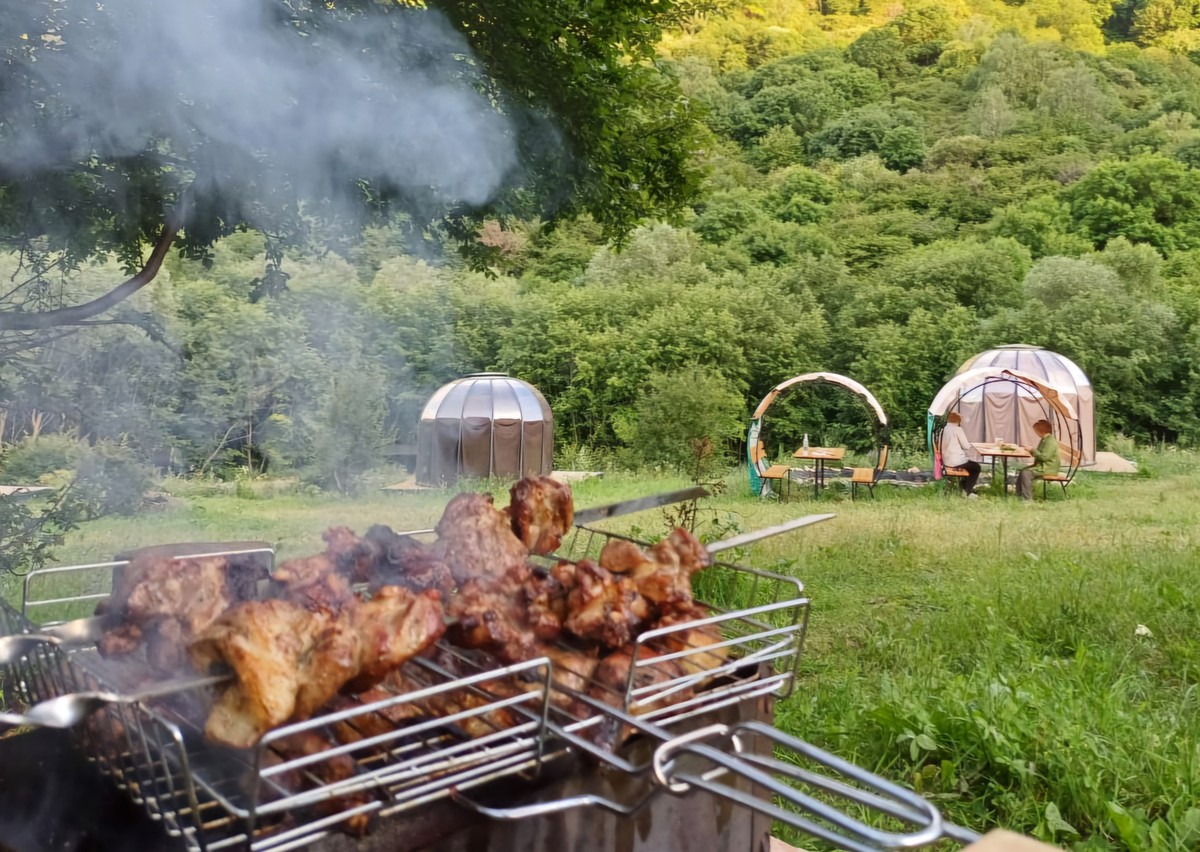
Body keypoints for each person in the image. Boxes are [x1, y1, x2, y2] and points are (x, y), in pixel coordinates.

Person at [1016, 419, 1060, 501]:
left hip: (1047, 468)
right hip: (1043, 466)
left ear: (1041, 430)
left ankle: (1027, 499)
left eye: (1036, 431)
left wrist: (1032, 450)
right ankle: (1019, 495)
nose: (1036, 433)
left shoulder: (1050, 442)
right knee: (1023, 471)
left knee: (1026, 474)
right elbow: (1040, 454)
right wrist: (1030, 450)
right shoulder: (1045, 439)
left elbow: (1044, 457)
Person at [940, 411, 981, 496]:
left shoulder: (943, 429)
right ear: (958, 420)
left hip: (946, 461)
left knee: (970, 466)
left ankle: (964, 486)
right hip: (957, 462)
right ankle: (968, 491)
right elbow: (966, 446)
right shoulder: (957, 429)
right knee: (976, 467)